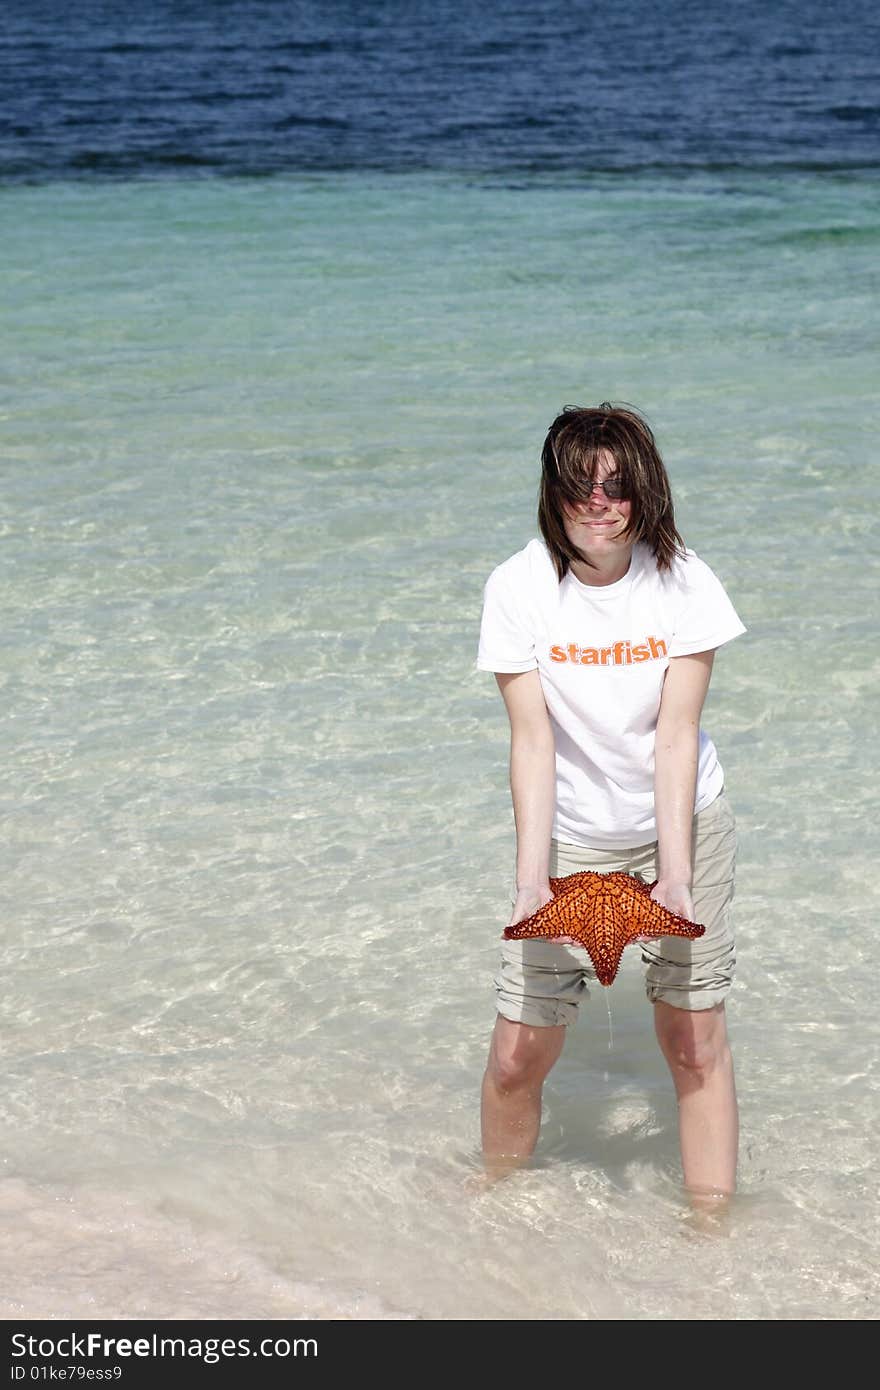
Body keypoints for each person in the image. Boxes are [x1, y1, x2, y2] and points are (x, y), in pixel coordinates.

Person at [476, 403, 746, 1204]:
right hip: (570, 835)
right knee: (518, 1050)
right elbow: (532, 742)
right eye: (580, 487)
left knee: (692, 1041)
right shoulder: (518, 586)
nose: (600, 504)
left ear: (646, 493)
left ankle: (711, 1233)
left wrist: (676, 877)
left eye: (618, 487)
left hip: (683, 820)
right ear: (552, 493)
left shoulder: (684, 581)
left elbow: (676, 734)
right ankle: (494, 1211)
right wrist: (533, 883)